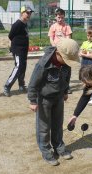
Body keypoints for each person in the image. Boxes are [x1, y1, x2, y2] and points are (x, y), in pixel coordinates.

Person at [27, 38, 80, 166]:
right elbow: (33, 83)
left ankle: (59, 146)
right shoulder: (43, 64)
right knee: (44, 127)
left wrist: (65, 91)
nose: (68, 63)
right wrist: (33, 101)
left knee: (58, 123)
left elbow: (66, 78)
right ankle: (46, 150)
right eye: (66, 59)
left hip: (59, 97)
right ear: (58, 53)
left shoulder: (66, 64)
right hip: (44, 99)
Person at [3, 5, 34, 97]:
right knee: (19, 66)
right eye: (27, 13)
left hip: (24, 49)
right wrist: (14, 47)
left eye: (30, 13)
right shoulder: (17, 24)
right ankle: (7, 86)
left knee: (23, 67)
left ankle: (21, 85)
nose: (29, 15)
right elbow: (10, 36)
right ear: (22, 13)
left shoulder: (25, 24)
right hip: (18, 49)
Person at [48, 8, 73, 94]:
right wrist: (54, 46)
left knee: (67, 69)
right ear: (55, 17)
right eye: (58, 17)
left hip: (65, 50)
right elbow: (51, 38)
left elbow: (68, 38)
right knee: (55, 68)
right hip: (55, 50)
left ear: (64, 17)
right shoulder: (53, 26)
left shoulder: (67, 26)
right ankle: (55, 85)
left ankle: (67, 87)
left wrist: (64, 46)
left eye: (62, 17)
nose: (60, 19)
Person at [79, 25, 92, 106]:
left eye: (91, 36)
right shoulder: (84, 43)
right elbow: (80, 53)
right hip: (84, 62)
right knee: (84, 78)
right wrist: (87, 53)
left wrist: (85, 53)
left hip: (91, 63)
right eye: (88, 35)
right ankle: (86, 94)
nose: (89, 37)